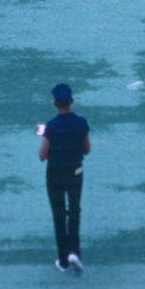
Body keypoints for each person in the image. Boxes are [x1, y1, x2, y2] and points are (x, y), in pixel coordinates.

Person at [39, 83, 91, 272]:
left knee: (59, 215)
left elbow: (42, 156)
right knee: (74, 211)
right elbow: (87, 149)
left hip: (55, 174)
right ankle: (74, 252)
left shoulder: (51, 127)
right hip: (76, 172)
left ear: (55, 103)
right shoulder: (82, 123)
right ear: (71, 101)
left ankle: (62, 259)